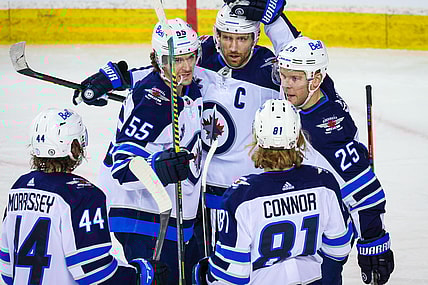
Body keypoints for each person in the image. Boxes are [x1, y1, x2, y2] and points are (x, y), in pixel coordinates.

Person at [73, 18, 203, 285]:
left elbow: (140, 73)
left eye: (190, 56)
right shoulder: (154, 102)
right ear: (160, 60)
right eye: (177, 59)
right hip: (142, 217)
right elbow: (122, 165)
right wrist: (157, 166)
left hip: (166, 215)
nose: (187, 66)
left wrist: (117, 77)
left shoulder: (179, 83)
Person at [194, 99, 352, 284]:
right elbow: (339, 248)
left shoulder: (241, 197)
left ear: (256, 137)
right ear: (299, 137)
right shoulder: (324, 182)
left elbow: (233, 274)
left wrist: (206, 274)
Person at [0, 108, 167, 285]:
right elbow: (94, 272)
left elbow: (7, 271)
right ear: (74, 147)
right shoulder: (83, 195)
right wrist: (140, 275)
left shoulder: (18, 188)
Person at [276, 36, 394, 284]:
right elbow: (292, 45)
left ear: (315, 80)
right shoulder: (318, 89)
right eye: (283, 76)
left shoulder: (324, 133)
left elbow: (367, 194)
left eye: (294, 78)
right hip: (299, 226)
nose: (286, 85)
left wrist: (373, 244)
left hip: (323, 239)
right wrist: (274, 16)